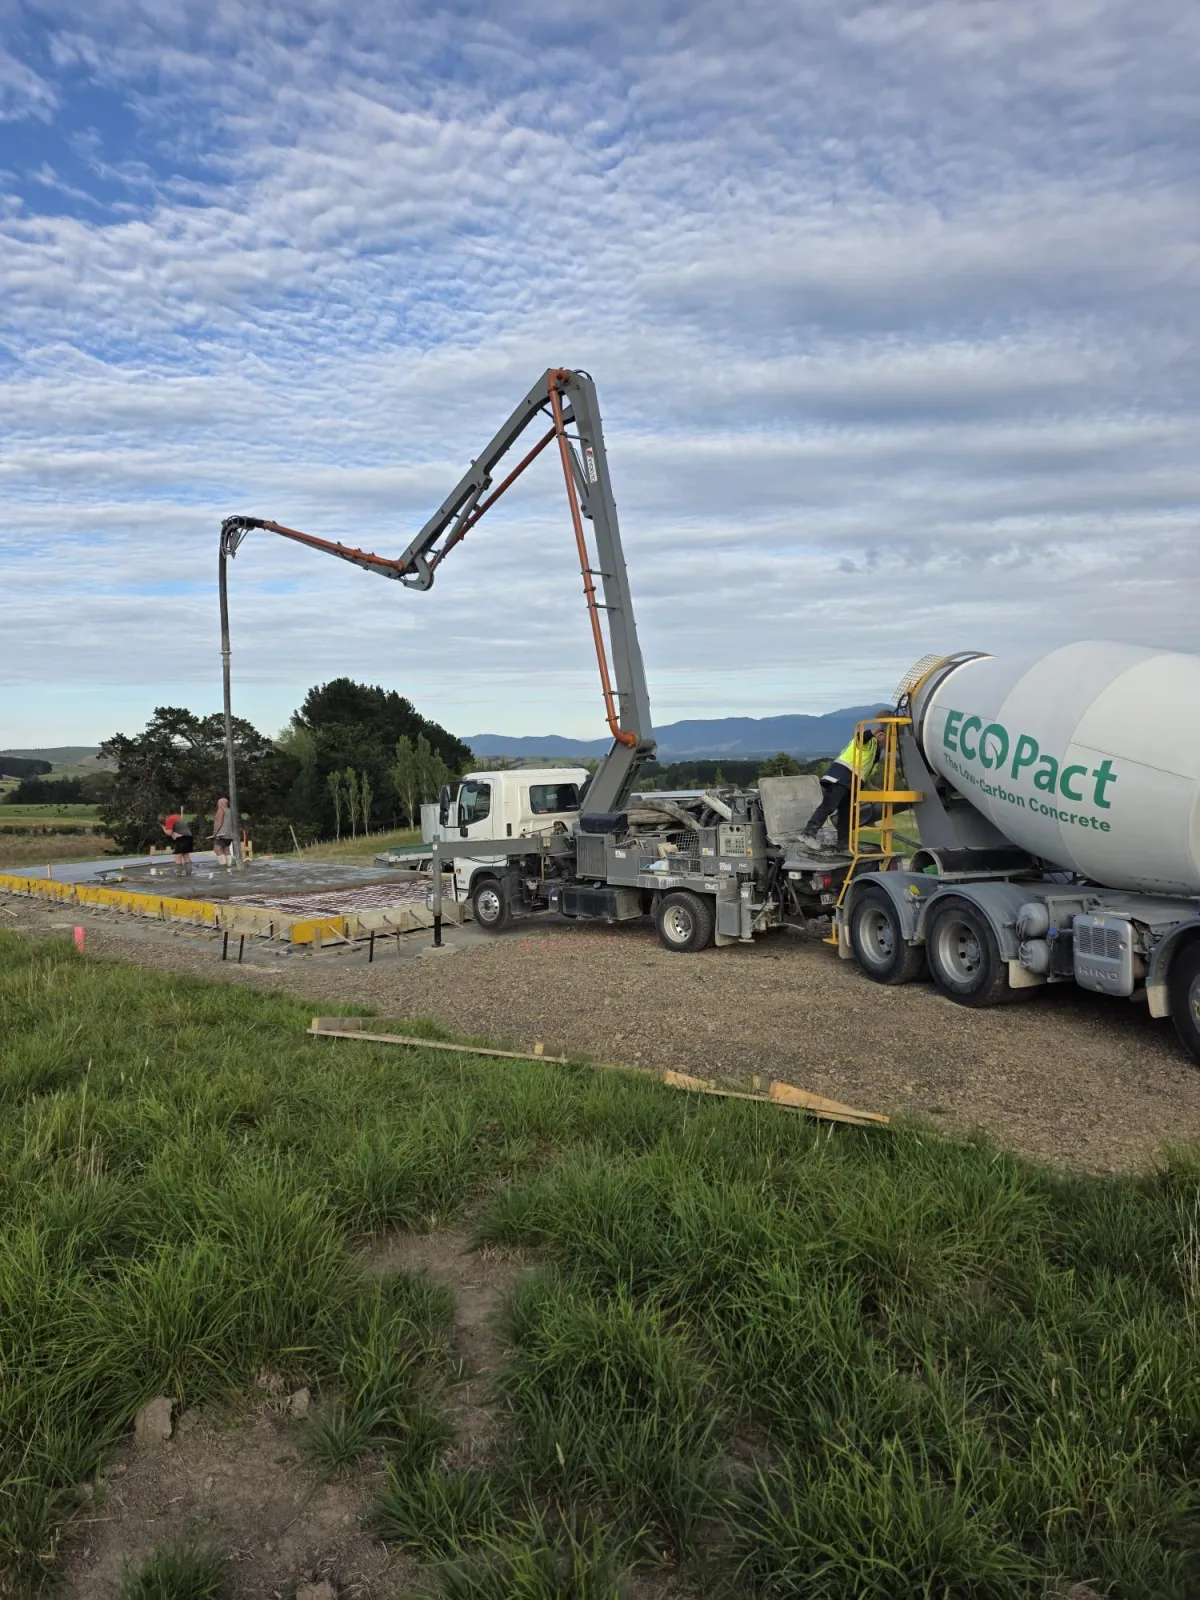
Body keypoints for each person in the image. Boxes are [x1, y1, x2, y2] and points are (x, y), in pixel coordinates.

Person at [801, 723, 885, 851]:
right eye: (887, 739)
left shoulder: (876, 754)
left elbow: (865, 775)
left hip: (852, 784)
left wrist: (875, 791)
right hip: (840, 777)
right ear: (881, 735)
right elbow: (861, 737)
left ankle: (843, 843)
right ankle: (808, 833)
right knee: (829, 805)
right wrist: (881, 726)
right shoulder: (870, 743)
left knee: (846, 814)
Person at [161, 810, 194, 874]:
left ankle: (178, 875)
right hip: (189, 836)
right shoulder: (175, 816)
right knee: (186, 855)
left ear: (164, 820)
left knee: (178, 856)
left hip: (182, 838)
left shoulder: (169, 820)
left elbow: (169, 833)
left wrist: (163, 827)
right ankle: (189, 874)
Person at [212, 796, 235, 867]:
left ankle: (224, 866)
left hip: (222, 834)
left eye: (218, 803)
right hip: (230, 834)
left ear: (221, 804)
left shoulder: (221, 810)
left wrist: (215, 832)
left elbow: (219, 822)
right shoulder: (230, 811)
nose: (217, 805)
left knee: (217, 849)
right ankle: (229, 866)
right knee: (226, 849)